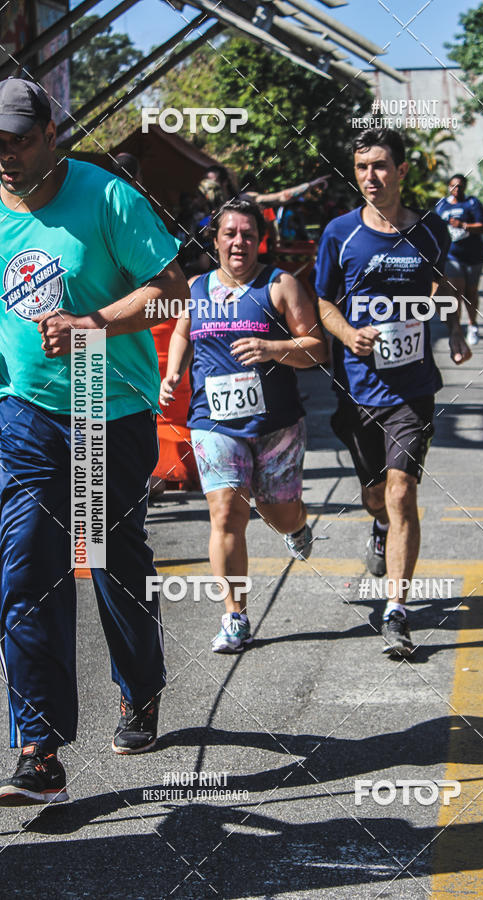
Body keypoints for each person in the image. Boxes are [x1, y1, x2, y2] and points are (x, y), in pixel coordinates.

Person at [0, 77, 188, 804]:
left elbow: (174, 290)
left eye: (19, 139)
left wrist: (95, 325)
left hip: (111, 409)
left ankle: (140, 687)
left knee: (110, 560)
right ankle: (39, 749)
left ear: (54, 134)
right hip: (29, 415)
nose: (7, 155)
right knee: (24, 571)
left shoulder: (107, 198)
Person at [315, 128, 471, 659]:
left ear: (402, 171)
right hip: (358, 388)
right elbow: (323, 302)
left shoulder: (429, 232)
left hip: (412, 388)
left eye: (380, 166)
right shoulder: (340, 233)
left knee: (403, 491)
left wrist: (454, 327)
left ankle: (396, 610)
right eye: (361, 168)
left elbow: (442, 283)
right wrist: (346, 333)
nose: (370, 177)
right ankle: (378, 524)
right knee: (376, 494)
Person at [160, 198, 327, 653]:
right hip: (213, 423)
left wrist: (274, 349)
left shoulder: (280, 286)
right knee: (227, 514)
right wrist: (174, 371)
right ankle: (235, 615)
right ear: (215, 240)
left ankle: (295, 528)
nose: (239, 242)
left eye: (248, 235)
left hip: (276, 426)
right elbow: (180, 332)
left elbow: (316, 349)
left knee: (279, 513)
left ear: (260, 240)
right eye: (230, 234)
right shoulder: (194, 288)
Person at [434, 174, 483, 346]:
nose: (456, 190)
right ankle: (456, 328)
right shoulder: (442, 205)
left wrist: (463, 225)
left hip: (473, 255)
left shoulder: (472, 203)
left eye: (459, 186)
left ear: (464, 187)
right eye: (452, 186)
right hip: (451, 255)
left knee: (470, 292)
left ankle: (473, 325)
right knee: (455, 291)